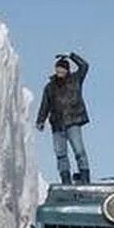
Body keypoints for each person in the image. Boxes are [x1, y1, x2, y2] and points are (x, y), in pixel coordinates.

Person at [36, 51, 92, 184]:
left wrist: (71, 55)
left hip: (73, 121)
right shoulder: (49, 87)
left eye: (62, 68)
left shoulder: (75, 79)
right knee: (61, 155)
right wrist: (40, 120)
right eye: (58, 68)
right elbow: (45, 105)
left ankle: (84, 177)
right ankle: (65, 179)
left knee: (79, 151)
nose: (59, 70)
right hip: (57, 124)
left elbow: (84, 65)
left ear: (67, 70)